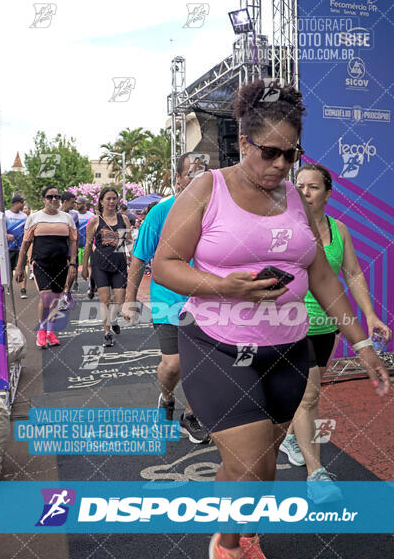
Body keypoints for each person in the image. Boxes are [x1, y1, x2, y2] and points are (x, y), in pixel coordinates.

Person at [152, 79, 390, 559]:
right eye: (270, 153)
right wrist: (226, 286)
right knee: (254, 466)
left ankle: (235, 532)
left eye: (291, 155)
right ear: (243, 142)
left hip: (288, 351)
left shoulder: (295, 198)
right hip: (218, 345)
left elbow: (322, 276)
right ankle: (227, 547)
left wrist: (362, 345)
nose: (281, 165)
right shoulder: (208, 188)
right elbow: (165, 264)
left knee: (254, 473)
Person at [279, 162, 392, 501]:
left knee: (308, 395)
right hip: (293, 323)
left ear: (328, 193)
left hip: (328, 325)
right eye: (299, 185)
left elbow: (353, 273)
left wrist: (370, 314)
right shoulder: (287, 227)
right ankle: (317, 474)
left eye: (312, 187)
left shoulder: (338, 229)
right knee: (309, 395)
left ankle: (289, 438)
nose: (304, 192)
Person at [123, 154, 209, 444]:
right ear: (178, 179)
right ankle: (167, 397)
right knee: (173, 365)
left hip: (208, 302)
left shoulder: (216, 211)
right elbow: (138, 260)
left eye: (203, 174)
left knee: (202, 364)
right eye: (192, 174)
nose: (198, 180)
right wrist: (128, 300)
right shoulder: (161, 213)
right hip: (169, 300)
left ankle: (191, 417)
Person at [15, 186, 77, 348]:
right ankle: (41, 332)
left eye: (57, 197)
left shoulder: (67, 218)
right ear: (44, 199)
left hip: (61, 263)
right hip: (40, 262)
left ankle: (50, 332)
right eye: (50, 197)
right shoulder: (34, 218)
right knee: (46, 296)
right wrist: (20, 266)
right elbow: (25, 244)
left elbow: (73, 241)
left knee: (55, 299)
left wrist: (73, 263)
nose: (54, 199)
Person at [82, 187, 131, 347]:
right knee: (105, 300)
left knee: (120, 300)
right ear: (101, 201)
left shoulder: (124, 219)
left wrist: (130, 261)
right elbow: (88, 245)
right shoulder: (95, 221)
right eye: (108, 199)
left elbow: (127, 243)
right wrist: (84, 267)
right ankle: (107, 332)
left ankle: (114, 319)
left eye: (114, 199)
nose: (111, 202)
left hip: (119, 264)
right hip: (100, 265)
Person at [58, 191, 79, 311]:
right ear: (65, 202)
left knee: (72, 272)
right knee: (61, 274)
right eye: (72, 202)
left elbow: (76, 234)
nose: (74, 205)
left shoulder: (74, 215)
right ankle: (61, 296)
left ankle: (66, 292)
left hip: (71, 247)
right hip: (59, 249)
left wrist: (75, 249)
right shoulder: (56, 214)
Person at [5, 195, 28, 298]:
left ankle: (23, 289)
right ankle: (9, 288)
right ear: (15, 203)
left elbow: (26, 231)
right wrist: (6, 235)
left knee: (22, 268)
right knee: (9, 269)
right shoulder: (6, 215)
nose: (23, 205)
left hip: (20, 247)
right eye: (21, 202)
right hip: (8, 248)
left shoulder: (24, 216)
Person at [75, 196, 95, 292]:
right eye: (76, 203)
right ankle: (75, 282)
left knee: (89, 265)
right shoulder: (74, 215)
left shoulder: (91, 216)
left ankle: (90, 285)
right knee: (74, 265)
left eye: (79, 203)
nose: (77, 205)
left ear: (84, 204)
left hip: (87, 245)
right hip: (76, 246)